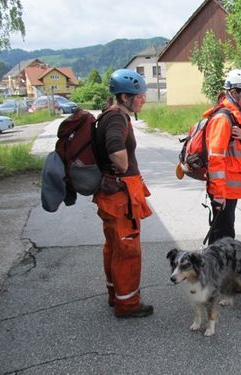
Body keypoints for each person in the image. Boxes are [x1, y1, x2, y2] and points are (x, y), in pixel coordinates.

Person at [92, 69, 154, 318]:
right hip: (120, 196)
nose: (143, 100)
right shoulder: (117, 118)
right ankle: (127, 304)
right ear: (125, 96)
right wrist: (124, 166)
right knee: (128, 250)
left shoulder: (109, 114)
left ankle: (114, 294)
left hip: (110, 194)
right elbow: (116, 152)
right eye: (140, 96)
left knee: (114, 247)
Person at [204, 69, 241, 244]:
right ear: (235, 93)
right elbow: (215, 158)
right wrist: (219, 194)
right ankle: (220, 270)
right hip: (223, 190)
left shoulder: (239, 118)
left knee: (224, 232)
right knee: (224, 234)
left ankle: (216, 268)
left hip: (231, 189)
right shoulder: (223, 119)